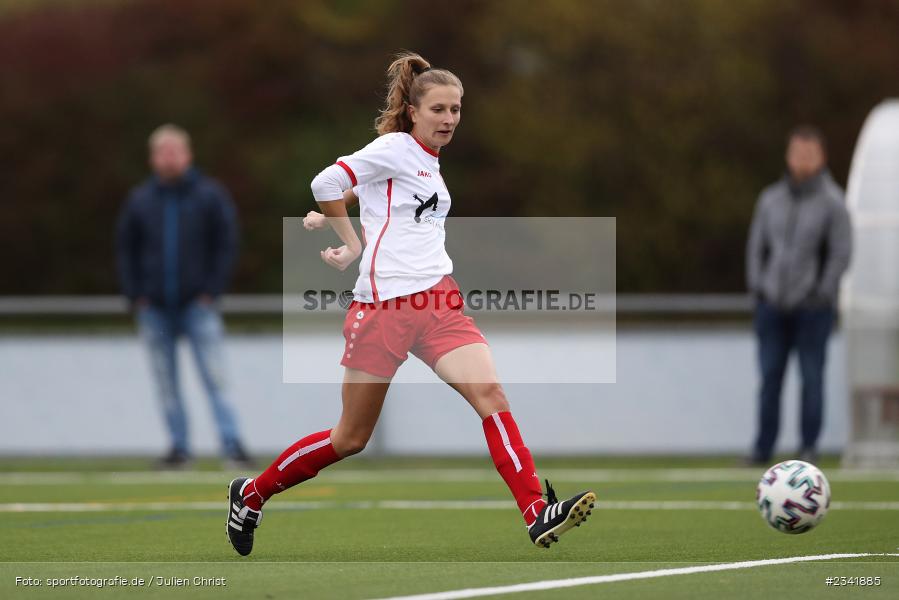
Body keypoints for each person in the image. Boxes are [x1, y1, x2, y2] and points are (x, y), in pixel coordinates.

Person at [226, 53, 595, 556]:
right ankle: (251, 494)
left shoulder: (422, 161)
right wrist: (350, 241)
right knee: (350, 438)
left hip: (440, 300)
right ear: (414, 112)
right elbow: (325, 182)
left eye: (457, 110)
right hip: (383, 309)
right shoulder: (397, 146)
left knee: (491, 396)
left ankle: (536, 511)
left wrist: (339, 212)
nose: (449, 119)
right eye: (439, 109)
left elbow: (373, 190)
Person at [116, 124, 253, 468]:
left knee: (216, 378)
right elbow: (125, 249)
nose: (169, 158)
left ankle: (232, 445)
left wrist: (212, 290)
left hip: (198, 306)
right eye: (162, 152)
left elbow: (227, 243)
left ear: (187, 155)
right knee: (166, 384)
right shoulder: (140, 200)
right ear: (152, 159)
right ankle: (179, 449)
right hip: (155, 309)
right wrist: (137, 295)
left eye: (174, 151)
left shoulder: (209, 196)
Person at [745, 125, 852, 465]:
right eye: (797, 153)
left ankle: (808, 449)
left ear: (821, 157)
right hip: (772, 307)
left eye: (809, 154)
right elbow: (756, 247)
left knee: (811, 380)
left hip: (813, 311)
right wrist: (759, 288)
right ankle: (763, 449)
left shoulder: (834, 203)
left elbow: (840, 253)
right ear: (788, 156)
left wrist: (821, 292)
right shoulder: (770, 199)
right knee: (769, 381)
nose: (802, 160)